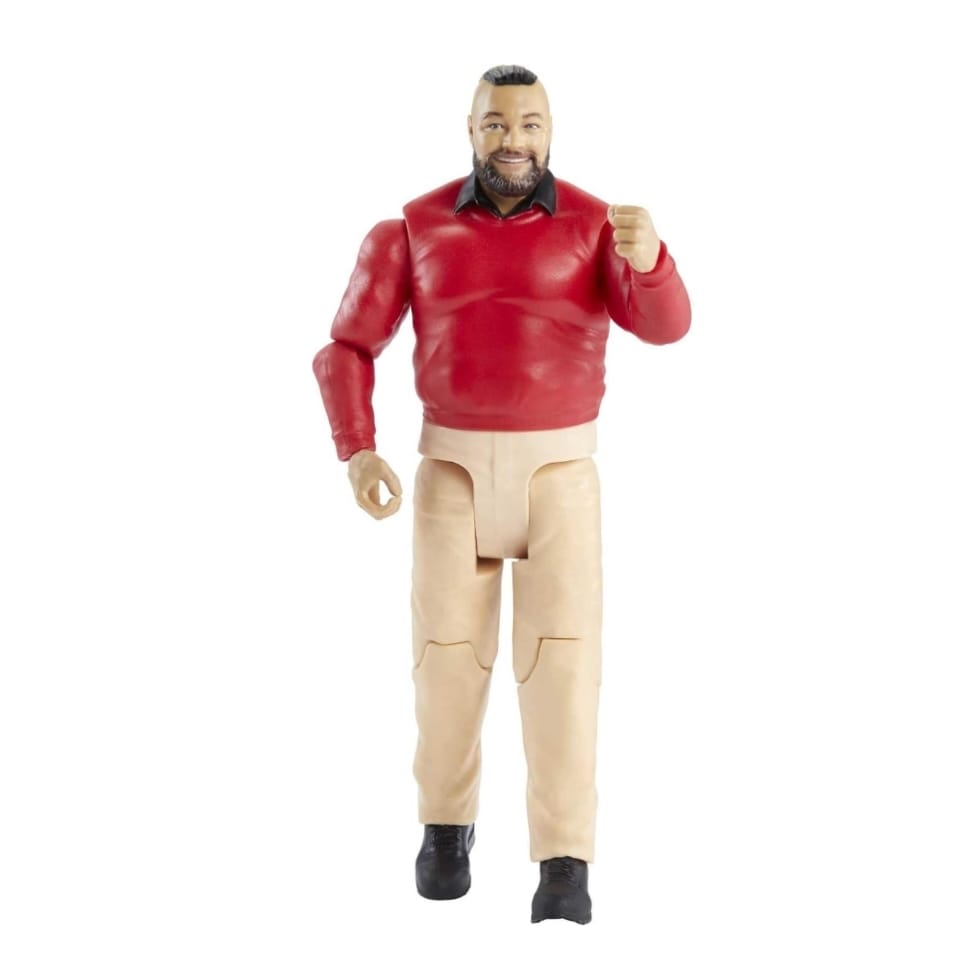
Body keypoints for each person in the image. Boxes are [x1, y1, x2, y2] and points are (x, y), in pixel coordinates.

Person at [312, 64, 691, 924]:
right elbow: (346, 348)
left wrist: (654, 263)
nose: (512, 140)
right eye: (496, 124)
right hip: (451, 469)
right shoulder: (412, 229)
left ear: (550, 131)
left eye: (528, 124)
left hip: (561, 473)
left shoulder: (598, 226)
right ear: (470, 129)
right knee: (444, 660)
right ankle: (445, 830)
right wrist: (357, 450)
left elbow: (665, 327)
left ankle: (565, 857)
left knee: (565, 665)